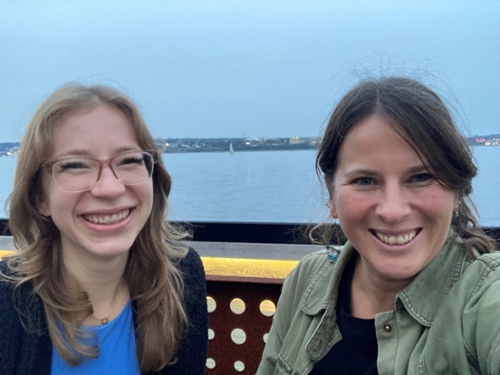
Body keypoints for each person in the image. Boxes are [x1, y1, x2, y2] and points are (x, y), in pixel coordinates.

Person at [257, 77, 500, 374]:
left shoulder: (484, 297)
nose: (393, 211)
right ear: (331, 193)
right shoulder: (307, 280)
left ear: (457, 192)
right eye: (364, 181)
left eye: (421, 177)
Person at [0, 84, 208, 374]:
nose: (110, 188)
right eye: (75, 165)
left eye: (129, 160)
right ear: (38, 196)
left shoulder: (181, 278)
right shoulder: (6, 303)